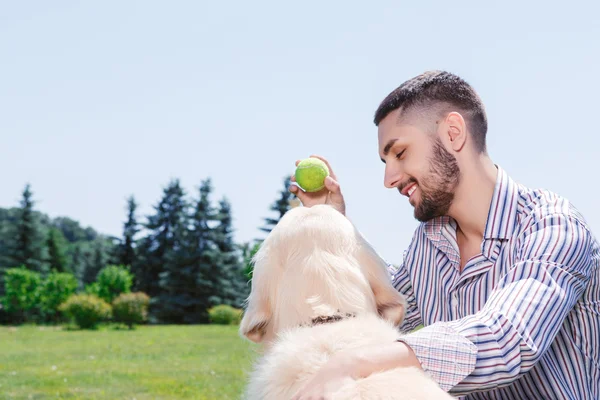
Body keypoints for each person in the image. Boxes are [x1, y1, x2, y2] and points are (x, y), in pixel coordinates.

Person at [288, 70, 600, 399]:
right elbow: (379, 313)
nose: (389, 178)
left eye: (400, 153)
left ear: (453, 133)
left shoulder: (554, 228)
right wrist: (333, 223)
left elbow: (508, 339)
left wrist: (354, 363)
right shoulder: (429, 242)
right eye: (384, 160)